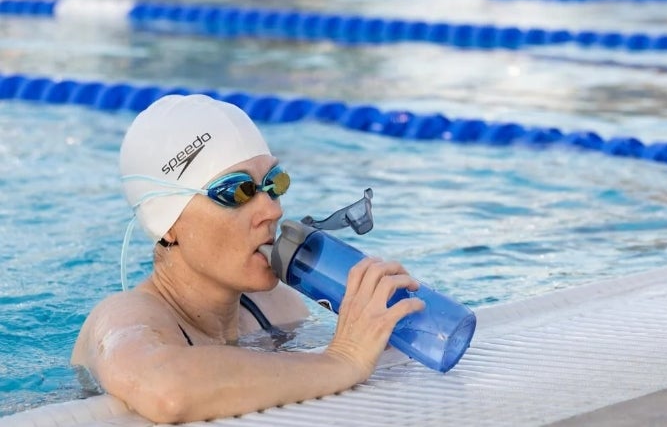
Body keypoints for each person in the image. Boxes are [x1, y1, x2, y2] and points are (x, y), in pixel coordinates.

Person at [71, 94, 424, 423]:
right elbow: (167, 391)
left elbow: (325, 364)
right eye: (237, 192)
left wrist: (379, 331)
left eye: (274, 183)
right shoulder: (122, 318)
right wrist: (342, 359)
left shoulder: (276, 307)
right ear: (167, 224)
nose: (272, 209)